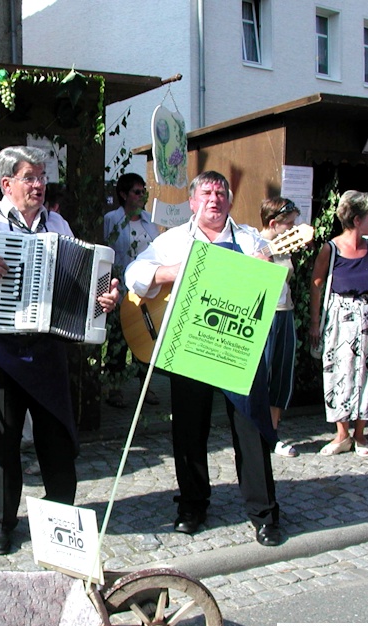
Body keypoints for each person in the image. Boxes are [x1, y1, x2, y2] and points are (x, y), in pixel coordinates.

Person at [0, 146, 120, 556]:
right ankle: (1, 521)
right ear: (7, 184)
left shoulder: (57, 223)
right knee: (2, 438)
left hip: (48, 344)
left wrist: (105, 296)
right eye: (30, 177)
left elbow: (84, 277)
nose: (39, 185)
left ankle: (61, 520)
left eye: (41, 177)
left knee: (55, 434)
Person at [124, 170, 282, 547]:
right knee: (189, 429)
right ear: (193, 202)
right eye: (207, 193)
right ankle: (192, 504)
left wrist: (271, 265)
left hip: (236, 346)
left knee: (250, 425)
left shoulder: (248, 239)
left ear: (229, 200)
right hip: (191, 344)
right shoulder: (175, 240)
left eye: (221, 192)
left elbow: (276, 290)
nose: (214, 198)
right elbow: (134, 273)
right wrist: (172, 271)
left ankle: (263, 513)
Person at [309, 191, 368, 458]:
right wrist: (314, 323)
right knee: (339, 372)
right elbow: (316, 285)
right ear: (357, 220)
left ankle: (361, 434)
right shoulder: (330, 248)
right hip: (340, 316)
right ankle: (342, 434)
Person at [103, 173, 161, 408]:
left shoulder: (149, 221)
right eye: (137, 192)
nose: (141, 196)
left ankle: (145, 387)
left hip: (146, 291)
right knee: (118, 340)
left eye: (143, 191)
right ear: (124, 194)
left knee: (146, 338)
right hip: (122, 290)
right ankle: (114, 388)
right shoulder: (112, 219)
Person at [259, 197, 300, 458]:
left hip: (285, 312)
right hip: (264, 316)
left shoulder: (284, 245)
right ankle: (257, 433)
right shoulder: (256, 243)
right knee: (261, 375)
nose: (293, 229)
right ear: (274, 224)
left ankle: (273, 433)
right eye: (290, 224)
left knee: (282, 374)